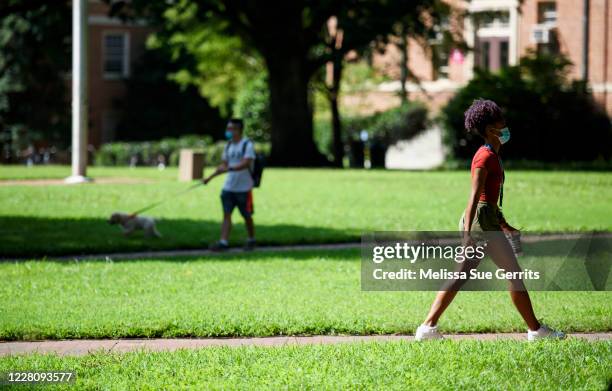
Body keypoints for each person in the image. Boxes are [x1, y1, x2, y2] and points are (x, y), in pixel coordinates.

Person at [415, 99, 565, 342]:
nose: (505, 126)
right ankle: (536, 330)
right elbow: (475, 197)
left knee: (462, 275)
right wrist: (467, 236)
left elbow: (490, 201)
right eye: (500, 122)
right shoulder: (484, 157)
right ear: (489, 129)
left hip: (485, 220)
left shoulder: (492, 154)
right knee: (513, 274)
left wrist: (504, 225)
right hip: (480, 224)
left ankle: (427, 327)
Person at [203, 119, 256, 251]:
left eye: (232, 128)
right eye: (228, 128)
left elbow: (246, 163)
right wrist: (209, 177)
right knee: (227, 214)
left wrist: (229, 169)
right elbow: (224, 165)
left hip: (244, 188)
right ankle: (223, 242)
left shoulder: (247, 145)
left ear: (239, 130)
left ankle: (251, 239)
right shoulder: (228, 146)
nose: (229, 131)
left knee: (246, 215)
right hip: (228, 187)